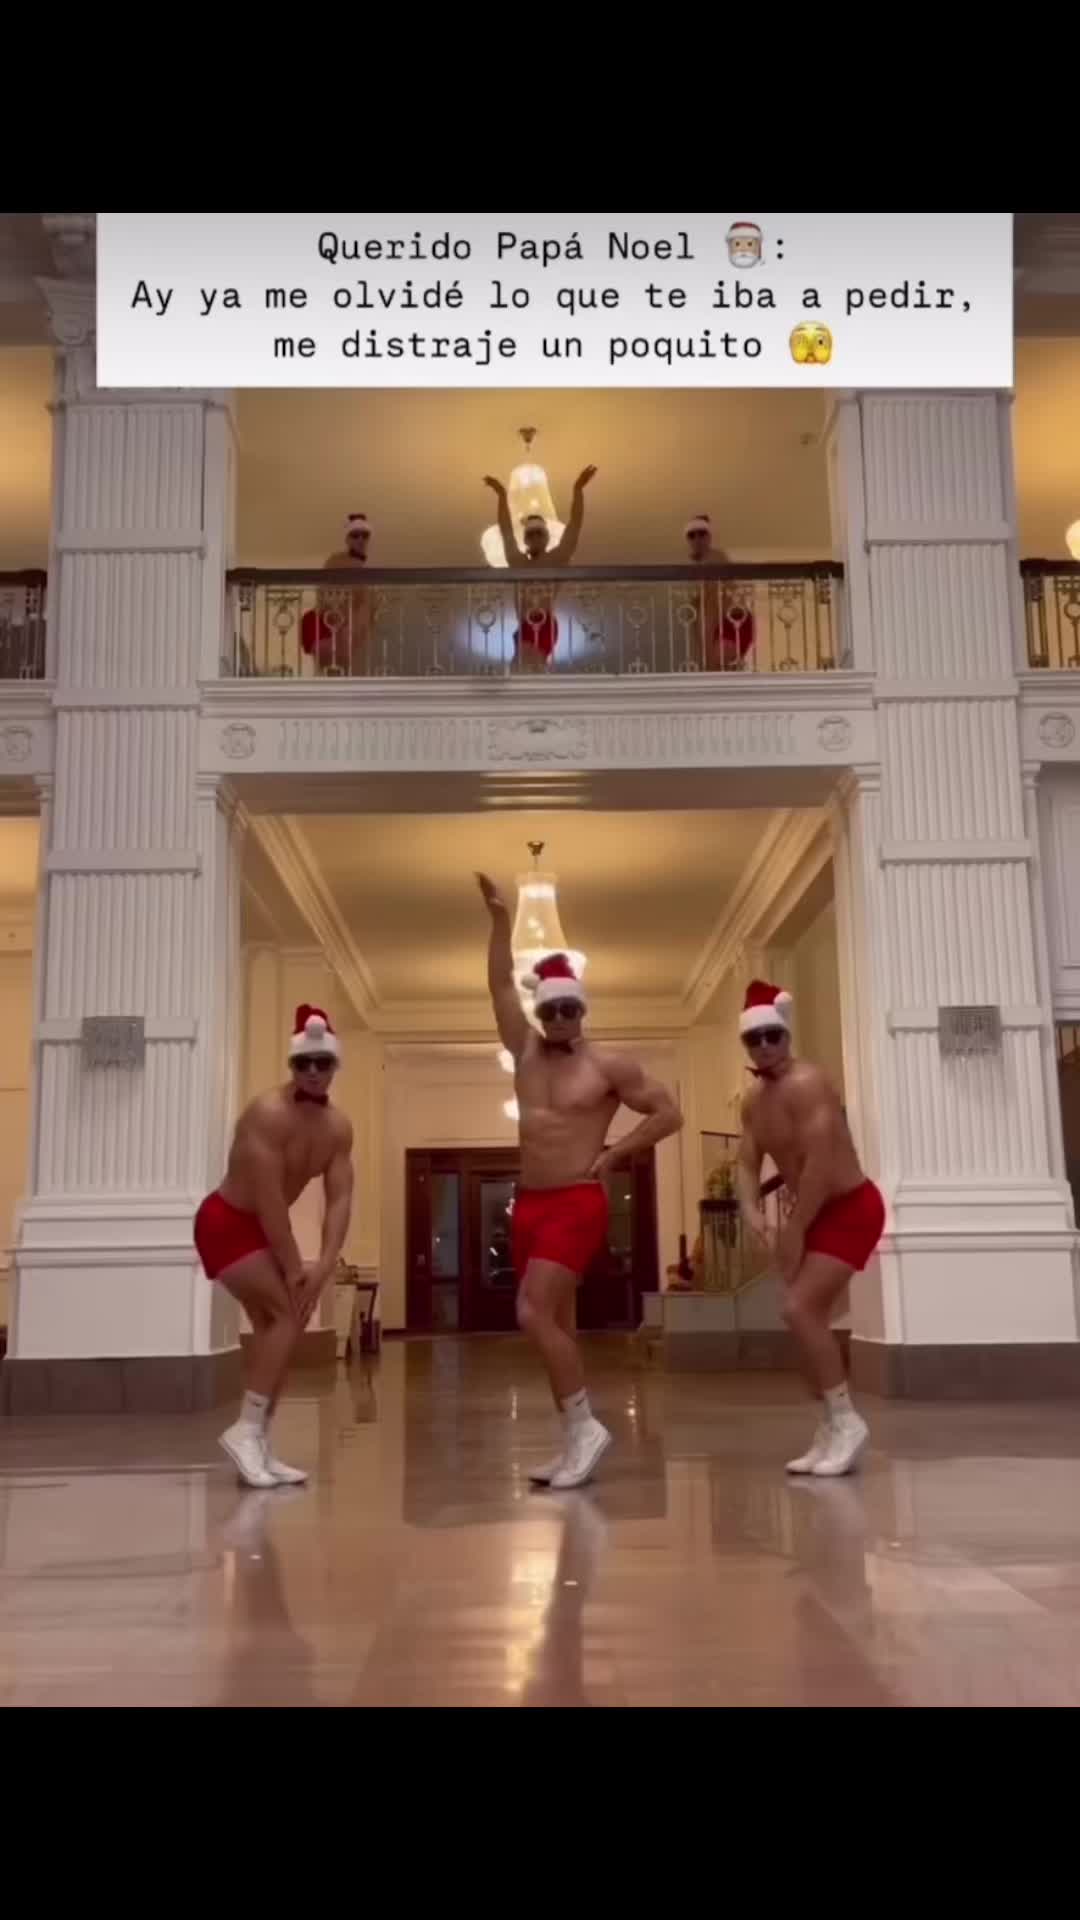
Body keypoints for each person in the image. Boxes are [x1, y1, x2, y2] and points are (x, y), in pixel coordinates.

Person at [476, 873, 682, 1487]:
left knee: (531, 1312)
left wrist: (618, 1152)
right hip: (530, 1203)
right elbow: (498, 983)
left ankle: (587, 1427)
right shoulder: (524, 1049)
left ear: (582, 1009)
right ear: (541, 1010)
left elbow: (669, 1113)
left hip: (576, 1202)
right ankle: (573, 1444)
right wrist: (500, 922)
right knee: (555, 1325)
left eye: (570, 1008)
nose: (560, 1016)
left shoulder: (607, 1065)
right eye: (551, 1008)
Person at [194, 1004, 355, 1488]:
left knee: (279, 1327)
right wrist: (293, 1269)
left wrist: (325, 1264)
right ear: (292, 1065)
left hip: (262, 1230)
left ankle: (259, 1440)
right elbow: (268, 1203)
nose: (313, 1072)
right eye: (303, 1063)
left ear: (334, 1066)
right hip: (226, 1222)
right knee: (286, 1314)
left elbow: (340, 1198)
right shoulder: (267, 1114)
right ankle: (245, 1430)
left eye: (322, 1063)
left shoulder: (338, 1128)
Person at [733, 980, 884, 1477]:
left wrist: (794, 1228)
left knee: (800, 1308)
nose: (764, 1047)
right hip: (813, 1213)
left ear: (786, 1034)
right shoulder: (753, 1101)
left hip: (850, 1207)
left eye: (772, 1036)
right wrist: (751, 1210)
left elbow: (819, 1163)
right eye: (754, 1039)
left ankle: (847, 1422)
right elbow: (746, 1161)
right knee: (802, 1321)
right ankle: (830, 1424)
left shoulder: (809, 1083)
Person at [483, 466, 597, 670]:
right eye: (531, 534)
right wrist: (501, 494)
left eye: (539, 534)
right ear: (526, 539)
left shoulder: (556, 559)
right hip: (524, 625)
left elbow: (574, 526)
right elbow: (506, 530)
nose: (535, 538)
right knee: (519, 669)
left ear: (546, 537)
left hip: (544, 623)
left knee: (529, 669)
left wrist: (578, 489)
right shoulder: (518, 563)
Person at [301, 512, 372, 674]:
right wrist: (336, 617)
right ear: (348, 539)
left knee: (341, 664)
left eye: (365, 535)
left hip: (349, 623)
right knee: (330, 664)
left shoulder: (365, 566)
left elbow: (364, 601)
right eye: (355, 535)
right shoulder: (336, 560)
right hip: (332, 619)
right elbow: (325, 591)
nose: (360, 539)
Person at [684, 512, 755, 669]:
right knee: (722, 670)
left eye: (702, 533)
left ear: (709, 536)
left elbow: (711, 604)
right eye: (691, 535)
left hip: (733, 621)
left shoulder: (715, 557)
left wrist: (707, 651)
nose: (697, 539)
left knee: (716, 667)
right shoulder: (698, 564)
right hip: (722, 625)